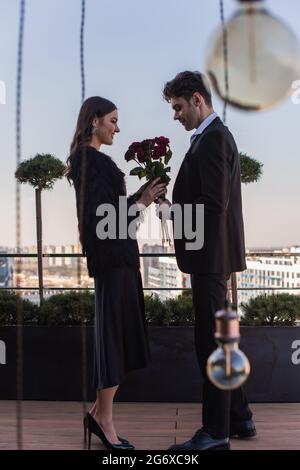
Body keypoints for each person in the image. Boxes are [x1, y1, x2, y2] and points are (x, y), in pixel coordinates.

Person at [158, 71, 255, 450]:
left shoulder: (213, 139)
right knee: (219, 342)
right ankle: (240, 417)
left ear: (197, 100)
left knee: (210, 345)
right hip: (212, 256)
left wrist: (172, 215)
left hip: (210, 258)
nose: (176, 116)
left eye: (179, 107)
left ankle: (216, 432)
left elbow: (214, 205)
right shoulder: (211, 137)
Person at [66, 96, 166, 450]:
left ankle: (98, 414)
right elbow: (99, 219)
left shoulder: (93, 161)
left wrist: (144, 195)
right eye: (113, 120)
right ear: (94, 121)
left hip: (120, 257)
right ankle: (104, 421)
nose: (117, 128)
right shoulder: (86, 160)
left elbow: (112, 213)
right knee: (112, 340)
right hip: (110, 260)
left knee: (119, 338)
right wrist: (139, 202)